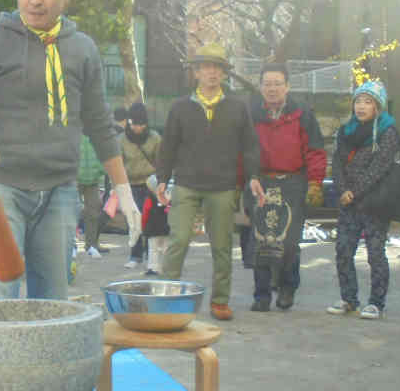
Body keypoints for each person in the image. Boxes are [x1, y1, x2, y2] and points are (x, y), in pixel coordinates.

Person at [0, 0, 140, 300]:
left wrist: (124, 189)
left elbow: (99, 123)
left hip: (61, 192)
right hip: (1, 190)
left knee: (52, 301)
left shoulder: (82, 49)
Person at [155, 43, 263, 321]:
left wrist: (253, 176)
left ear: (224, 74)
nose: (211, 72)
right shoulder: (180, 107)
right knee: (178, 239)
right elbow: (168, 145)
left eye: (217, 68)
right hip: (186, 183)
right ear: (196, 73)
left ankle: (220, 301)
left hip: (223, 185)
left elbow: (250, 146)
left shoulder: (237, 107)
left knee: (222, 245)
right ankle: (168, 298)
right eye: (206, 67)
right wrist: (163, 179)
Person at [246, 62, 327, 312]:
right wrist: (247, 177)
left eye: (277, 83)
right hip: (261, 181)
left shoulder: (302, 112)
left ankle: (287, 287)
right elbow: (244, 150)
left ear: (287, 86)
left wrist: (315, 182)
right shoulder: (250, 113)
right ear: (260, 87)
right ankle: (261, 295)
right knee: (260, 239)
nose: (272, 89)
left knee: (289, 241)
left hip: (293, 181)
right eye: (267, 84)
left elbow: (314, 150)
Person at [325, 80, 400, 320]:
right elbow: (337, 162)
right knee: (343, 250)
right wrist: (342, 189)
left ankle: (376, 302)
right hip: (348, 201)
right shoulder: (346, 130)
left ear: (377, 106)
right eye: (358, 101)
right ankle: (349, 299)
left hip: (374, 202)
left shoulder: (387, 131)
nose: (361, 106)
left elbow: (379, 168)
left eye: (368, 102)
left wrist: (354, 192)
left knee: (375, 252)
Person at [121, 102, 162, 268]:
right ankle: (135, 255)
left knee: (152, 222)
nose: (138, 128)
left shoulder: (155, 138)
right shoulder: (122, 140)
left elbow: (162, 161)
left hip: (151, 185)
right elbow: (118, 163)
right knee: (134, 222)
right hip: (131, 185)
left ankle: (151, 255)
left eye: (141, 124)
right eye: (134, 124)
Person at [77, 136, 108, 258]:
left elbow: (102, 153)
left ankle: (92, 244)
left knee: (94, 212)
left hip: (93, 179)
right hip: (74, 178)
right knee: (71, 212)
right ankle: (69, 245)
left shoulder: (94, 132)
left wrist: (101, 170)